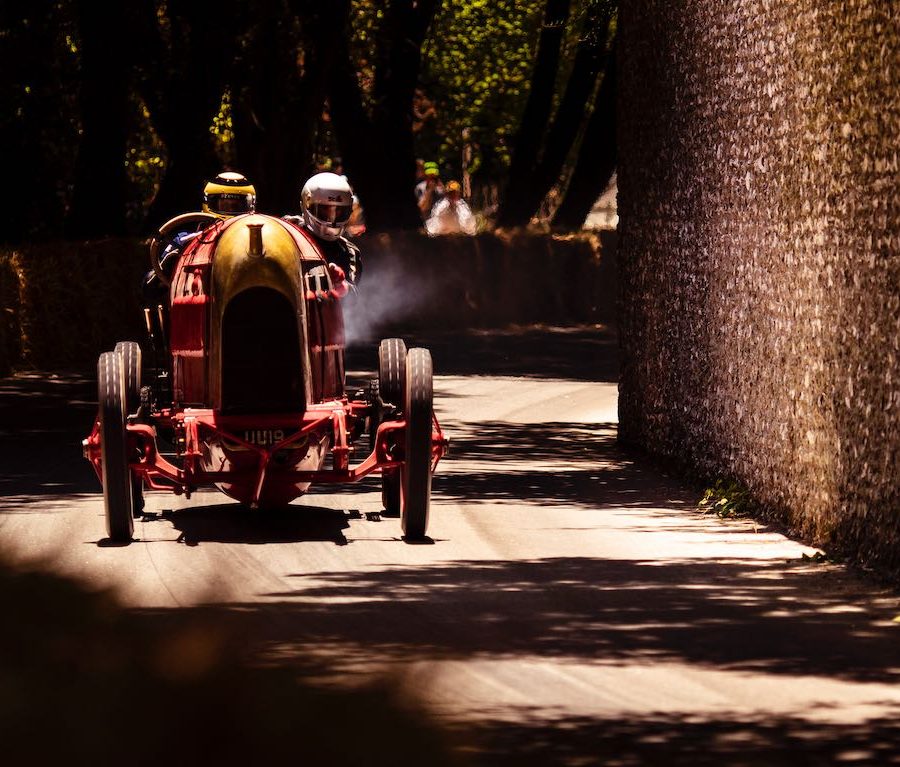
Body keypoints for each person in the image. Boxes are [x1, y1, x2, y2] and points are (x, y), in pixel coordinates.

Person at [143, 172, 255, 313]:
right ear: (209, 202)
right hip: (196, 313)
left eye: (237, 206)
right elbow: (149, 290)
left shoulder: (261, 241)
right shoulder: (185, 240)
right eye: (224, 205)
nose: (230, 211)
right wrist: (167, 266)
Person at [285, 172, 362, 286]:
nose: (332, 217)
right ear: (307, 205)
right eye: (325, 209)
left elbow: (353, 295)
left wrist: (340, 284)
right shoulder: (287, 234)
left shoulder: (349, 252)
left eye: (338, 210)